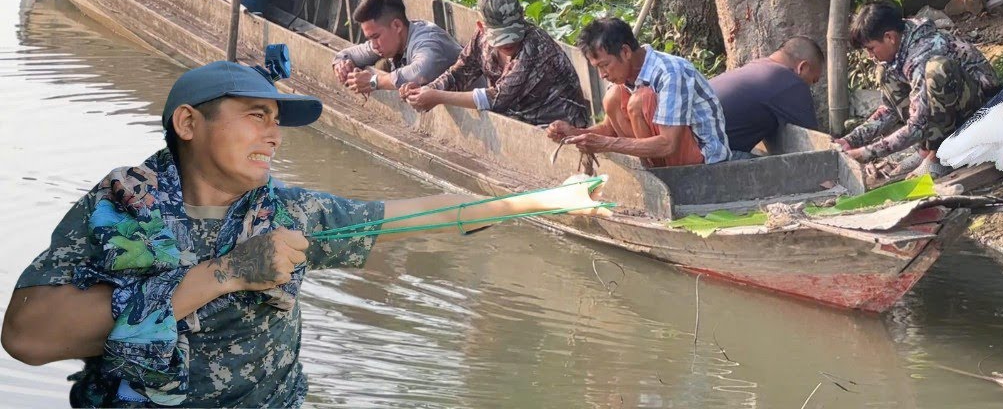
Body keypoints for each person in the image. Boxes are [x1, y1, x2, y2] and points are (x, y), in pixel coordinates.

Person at [1, 61, 607, 408]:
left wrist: (536, 202)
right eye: (254, 115)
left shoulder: (292, 215)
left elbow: (412, 215)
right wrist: (227, 274)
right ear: (188, 123)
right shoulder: (118, 210)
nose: (273, 134)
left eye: (277, 121)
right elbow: (26, 338)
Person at [834, 1, 999, 178]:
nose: (870, 55)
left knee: (937, 70)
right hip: (953, 113)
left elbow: (919, 124)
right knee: (884, 72)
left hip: (983, 114)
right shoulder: (901, 46)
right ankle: (926, 151)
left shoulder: (923, 53)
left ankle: (939, 156)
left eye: (871, 48)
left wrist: (864, 153)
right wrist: (850, 140)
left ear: (890, 37)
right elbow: (890, 110)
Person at [546, 17, 730, 167]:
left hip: (705, 162)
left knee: (641, 100)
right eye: (597, 68)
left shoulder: (670, 72)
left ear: (625, 52)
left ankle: (662, 175)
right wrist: (575, 133)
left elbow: (668, 144)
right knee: (613, 98)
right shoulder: (623, 78)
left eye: (604, 65)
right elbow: (610, 128)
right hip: (667, 158)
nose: (602, 75)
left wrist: (606, 145)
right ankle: (653, 172)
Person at [402, 0, 590, 128]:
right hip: (516, 122)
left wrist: (437, 96)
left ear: (522, 17)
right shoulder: (480, 40)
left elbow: (497, 99)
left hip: (556, 127)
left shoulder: (535, 46)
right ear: (481, 27)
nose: (508, 43)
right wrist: (424, 91)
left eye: (513, 34)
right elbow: (459, 73)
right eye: (500, 37)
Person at [331, 0, 461, 95]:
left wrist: (374, 81)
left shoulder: (427, 40)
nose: (374, 45)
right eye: (370, 39)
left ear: (397, 26)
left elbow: (422, 71)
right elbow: (347, 54)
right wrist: (341, 65)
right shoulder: (387, 42)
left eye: (376, 37)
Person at [710, 36, 824, 154]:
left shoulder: (755, 67)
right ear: (803, 68)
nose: (811, 86)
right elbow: (815, 144)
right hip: (708, 155)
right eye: (813, 80)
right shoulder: (790, 82)